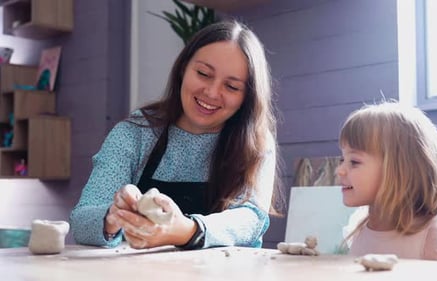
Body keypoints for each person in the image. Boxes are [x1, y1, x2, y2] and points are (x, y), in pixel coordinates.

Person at [70, 20, 282, 250]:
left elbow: (250, 219)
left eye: (231, 87)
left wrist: (185, 230)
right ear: (183, 68)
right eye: (203, 73)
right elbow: (81, 221)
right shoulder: (134, 133)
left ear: (247, 97)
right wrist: (113, 217)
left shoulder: (256, 144)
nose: (212, 93)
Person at [336, 101, 437, 263]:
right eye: (342, 159)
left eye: (354, 162)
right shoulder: (360, 228)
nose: (339, 170)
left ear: (400, 168)